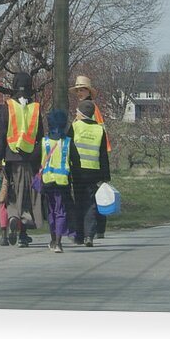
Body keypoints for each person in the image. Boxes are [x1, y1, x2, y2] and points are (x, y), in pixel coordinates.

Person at [0, 72, 44, 248]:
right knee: (27, 197)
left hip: (10, 158)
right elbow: (40, 137)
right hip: (29, 160)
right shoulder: (36, 108)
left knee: (11, 195)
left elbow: (1, 135)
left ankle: (12, 218)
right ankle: (23, 234)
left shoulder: (7, 107)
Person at [69, 75, 110, 239]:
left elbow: (100, 132)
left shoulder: (91, 109)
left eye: (82, 89)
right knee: (91, 198)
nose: (79, 92)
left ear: (88, 91)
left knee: (91, 199)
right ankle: (93, 230)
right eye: (77, 90)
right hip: (89, 163)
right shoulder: (82, 108)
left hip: (91, 161)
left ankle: (96, 229)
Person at [41, 109, 80, 253]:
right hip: (63, 182)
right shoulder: (68, 143)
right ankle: (58, 242)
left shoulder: (44, 142)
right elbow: (76, 161)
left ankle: (52, 239)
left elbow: (36, 159)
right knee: (61, 211)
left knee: (51, 211)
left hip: (47, 182)